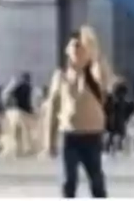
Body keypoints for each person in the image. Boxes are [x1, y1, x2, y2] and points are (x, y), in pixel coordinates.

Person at [45, 27, 112, 198]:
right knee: (69, 181)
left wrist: (94, 51)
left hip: (92, 134)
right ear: (68, 51)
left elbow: (105, 80)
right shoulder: (61, 75)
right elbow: (52, 108)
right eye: (74, 47)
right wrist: (49, 140)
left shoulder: (94, 75)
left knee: (96, 181)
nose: (77, 51)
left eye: (81, 47)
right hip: (70, 134)